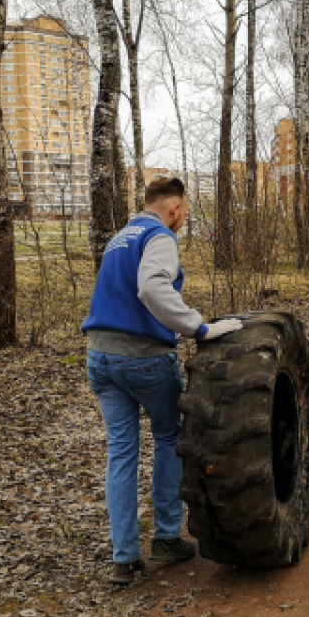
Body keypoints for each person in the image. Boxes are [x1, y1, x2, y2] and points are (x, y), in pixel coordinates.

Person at [82, 177, 243, 585]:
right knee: (170, 437)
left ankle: (125, 558)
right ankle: (168, 538)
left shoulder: (120, 238)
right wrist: (198, 328)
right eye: (184, 213)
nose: (183, 221)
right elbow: (151, 288)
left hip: (100, 356)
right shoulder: (159, 236)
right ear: (173, 209)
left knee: (121, 452)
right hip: (144, 359)